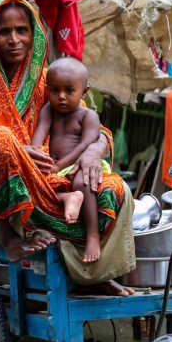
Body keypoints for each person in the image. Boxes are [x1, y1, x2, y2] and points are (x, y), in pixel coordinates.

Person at [0, 0, 136, 296]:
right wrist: (14, 158)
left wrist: (93, 151)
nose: (14, 39)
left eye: (22, 30)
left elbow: (95, 130)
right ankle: (10, 239)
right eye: (4, 32)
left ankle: (92, 273)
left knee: (114, 187)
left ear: (33, 33)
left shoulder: (51, 83)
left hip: (50, 188)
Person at [30, 57, 105, 263]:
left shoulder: (88, 116)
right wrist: (34, 159)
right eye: (55, 90)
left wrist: (58, 166)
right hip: (54, 166)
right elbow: (39, 135)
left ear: (84, 91)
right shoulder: (48, 110)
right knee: (32, 181)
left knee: (83, 182)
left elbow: (85, 146)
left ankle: (92, 235)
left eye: (69, 90)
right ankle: (67, 198)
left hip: (79, 164)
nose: (61, 96)